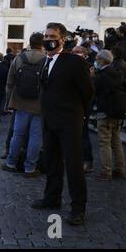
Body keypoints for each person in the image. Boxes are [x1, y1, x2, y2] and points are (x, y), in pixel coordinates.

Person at [32, 23, 94, 226]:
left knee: (74, 165)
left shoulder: (74, 62)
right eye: (46, 35)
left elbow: (87, 92)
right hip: (49, 121)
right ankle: (52, 197)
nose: (48, 38)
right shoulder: (44, 62)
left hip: (70, 122)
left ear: (62, 38)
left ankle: (78, 207)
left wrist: (81, 116)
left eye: (52, 35)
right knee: (52, 162)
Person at [2, 33, 46, 177]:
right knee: (36, 137)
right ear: (43, 44)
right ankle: (30, 167)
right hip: (40, 104)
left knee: (17, 134)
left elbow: (10, 82)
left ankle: (11, 163)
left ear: (30, 43)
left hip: (20, 102)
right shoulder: (47, 60)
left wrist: (9, 102)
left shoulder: (19, 58)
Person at [92, 50, 126, 181]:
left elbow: (95, 90)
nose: (95, 61)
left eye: (97, 59)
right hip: (117, 111)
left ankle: (106, 171)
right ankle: (120, 169)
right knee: (116, 141)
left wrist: (93, 77)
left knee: (104, 142)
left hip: (105, 111)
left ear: (102, 60)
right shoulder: (118, 73)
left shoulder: (101, 75)